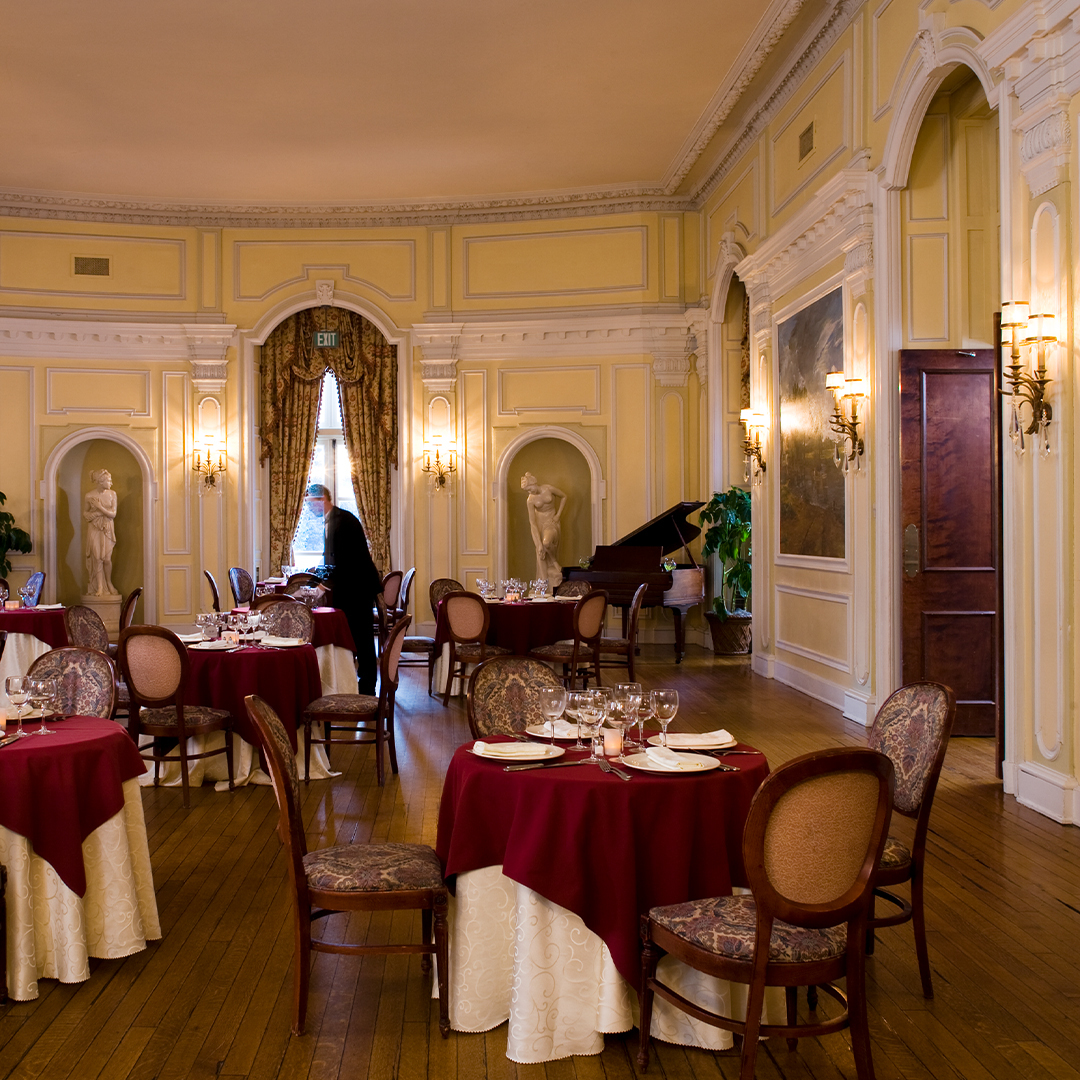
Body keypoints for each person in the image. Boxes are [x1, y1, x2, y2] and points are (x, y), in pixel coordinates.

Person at [305, 483, 381, 695]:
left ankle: (367, 690)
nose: (309, 508)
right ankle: (352, 683)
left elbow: (344, 562)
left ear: (322, 500)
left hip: (358, 589)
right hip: (350, 587)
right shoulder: (333, 520)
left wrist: (320, 587)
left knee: (362, 639)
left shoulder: (343, 521)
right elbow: (330, 559)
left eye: (310, 503)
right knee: (355, 637)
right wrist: (312, 583)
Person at [520, 472, 567, 588]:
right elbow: (532, 523)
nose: (530, 492)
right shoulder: (530, 500)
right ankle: (545, 581)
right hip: (540, 524)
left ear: (534, 483)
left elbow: (564, 496)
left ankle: (554, 561)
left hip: (551, 522)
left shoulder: (548, 489)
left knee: (547, 542)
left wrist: (558, 515)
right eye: (527, 490)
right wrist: (538, 543)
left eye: (530, 488)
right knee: (542, 548)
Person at [84, 468, 119, 596]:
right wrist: (95, 514)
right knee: (97, 558)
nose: (111, 483)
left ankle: (108, 583)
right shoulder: (89, 496)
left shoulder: (112, 494)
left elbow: (113, 514)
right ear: (100, 481)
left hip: (107, 528)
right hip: (94, 528)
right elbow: (85, 513)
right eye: (109, 480)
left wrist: (99, 508)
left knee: (107, 558)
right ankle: (99, 587)